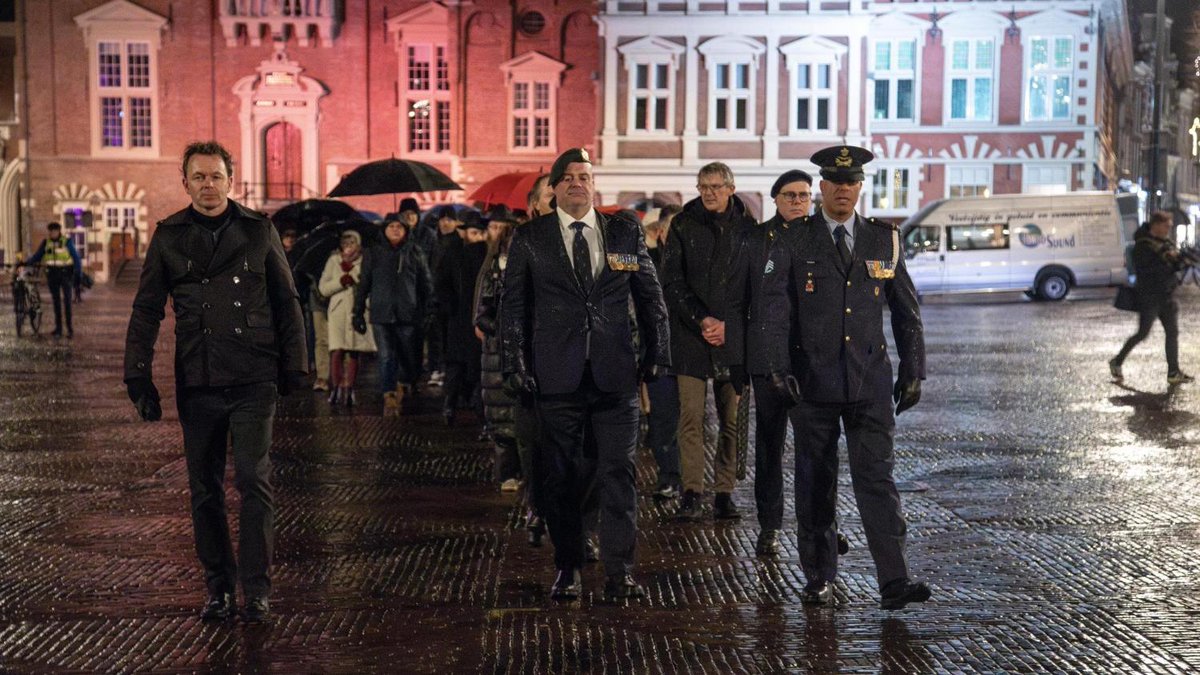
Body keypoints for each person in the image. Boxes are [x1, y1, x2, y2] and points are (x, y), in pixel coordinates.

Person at [124, 140, 308, 624]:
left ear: (232, 180)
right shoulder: (168, 236)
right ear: (185, 183)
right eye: (199, 177)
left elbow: (287, 302)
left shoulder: (258, 231)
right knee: (204, 489)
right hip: (199, 378)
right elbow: (146, 309)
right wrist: (137, 375)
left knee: (253, 480)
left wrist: (296, 368)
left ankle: (257, 588)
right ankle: (219, 589)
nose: (208, 186)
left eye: (216, 177)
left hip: (254, 376)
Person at [501, 148, 670, 601]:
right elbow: (513, 308)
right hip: (556, 376)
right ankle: (568, 565)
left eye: (586, 176)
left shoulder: (623, 232)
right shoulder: (531, 238)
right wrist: (514, 364)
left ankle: (620, 572)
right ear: (554, 187)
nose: (578, 183)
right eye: (569, 177)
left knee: (619, 473)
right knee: (562, 476)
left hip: (616, 374)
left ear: (594, 184)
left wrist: (658, 352)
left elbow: (650, 296)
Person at [788, 145, 928, 610]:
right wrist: (776, 370)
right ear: (821, 187)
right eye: (834, 181)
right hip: (813, 382)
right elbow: (775, 311)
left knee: (878, 480)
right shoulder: (796, 238)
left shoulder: (883, 240)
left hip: (869, 382)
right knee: (815, 484)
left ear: (860, 187)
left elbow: (907, 312)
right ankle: (819, 577)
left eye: (851, 183)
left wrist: (913, 371)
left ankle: (894, 580)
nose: (843, 189)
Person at [660, 162, 756, 521]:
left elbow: (753, 289)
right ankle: (692, 490)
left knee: (731, 420)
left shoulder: (748, 230)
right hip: (691, 338)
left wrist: (731, 325)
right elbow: (671, 282)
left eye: (716, 186)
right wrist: (702, 319)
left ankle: (724, 491)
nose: (710, 193)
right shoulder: (683, 226)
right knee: (690, 417)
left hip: (733, 341)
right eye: (703, 186)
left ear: (731, 188)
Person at [726, 169, 812, 556]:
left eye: (804, 195)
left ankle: (820, 523)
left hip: (813, 363)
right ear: (775, 199)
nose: (798, 201)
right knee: (769, 447)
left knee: (817, 449)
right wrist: (736, 362)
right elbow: (736, 303)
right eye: (791, 195)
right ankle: (770, 525)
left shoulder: (821, 238)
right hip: (767, 360)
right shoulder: (755, 240)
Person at [353, 219, 433, 415]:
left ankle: (405, 382)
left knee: (408, 354)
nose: (396, 230)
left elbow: (425, 283)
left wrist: (429, 310)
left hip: (408, 313)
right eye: (392, 226)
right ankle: (388, 392)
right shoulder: (373, 253)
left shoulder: (414, 251)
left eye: (399, 226)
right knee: (386, 355)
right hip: (382, 313)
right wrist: (358, 312)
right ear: (384, 230)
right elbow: (364, 284)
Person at [1110, 210, 1194, 384]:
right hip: (1150, 297)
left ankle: (1173, 372)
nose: (1168, 230)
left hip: (1166, 296)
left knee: (1172, 332)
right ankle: (1117, 361)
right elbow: (1150, 270)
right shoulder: (1143, 245)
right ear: (1156, 225)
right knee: (1142, 333)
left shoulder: (1165, 242)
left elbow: (1173, 262)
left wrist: (1181, 261)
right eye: (1166, 226)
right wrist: (1172, 264)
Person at [474, 216, 521, 490]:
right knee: (501, 415)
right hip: (497, 353)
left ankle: (523, 470)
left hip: (522, 350)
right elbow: (482, 314)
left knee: (521, 413)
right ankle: (507, 473)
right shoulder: (493, 270)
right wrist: (501, 328)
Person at [641, 204, 683, 500]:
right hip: (658, 355)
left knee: (689, 422)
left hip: (688, 355)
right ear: (661, 233)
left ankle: (686, 478)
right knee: (661, 421)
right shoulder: (649, 264)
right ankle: (669, 475)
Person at [437, 211, 489, 425]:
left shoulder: (487, 255)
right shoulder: (453, 253)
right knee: (456, 366)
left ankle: (479, 409)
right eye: (473, 232)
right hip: (459, 318)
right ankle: (449, 405)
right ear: (463, 233)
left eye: (479, 233)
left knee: (478, 365)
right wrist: (450, 306)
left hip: (478, 318)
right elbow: (442, 283)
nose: (476, 237)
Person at [318, 229, 377, 406]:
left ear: (358, 245)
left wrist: (355, 278)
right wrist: (340, 281)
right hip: (337, 311)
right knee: (337, 350)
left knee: (354, 350)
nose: (348, 247)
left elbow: (370, 284)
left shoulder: (365, 261)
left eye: (352, 243)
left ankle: (349, 389)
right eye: (345, 243)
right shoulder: (333, 261)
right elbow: (323, 288)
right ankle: (336, 388)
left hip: (357, 311)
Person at [25, 221, 82, 338]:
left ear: (58, 231)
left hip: (66, 275)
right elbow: (38, 256)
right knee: (56, 303)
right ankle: (59, 329)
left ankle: (70, 329)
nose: (51, 233)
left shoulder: (67, 242)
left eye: (54, 231)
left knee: (67, 303)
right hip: (52, 275)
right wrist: (26, 263)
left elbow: (76, 258)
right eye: (50, 231)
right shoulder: (46, 243)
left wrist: (78, 275)